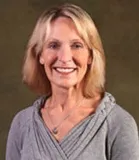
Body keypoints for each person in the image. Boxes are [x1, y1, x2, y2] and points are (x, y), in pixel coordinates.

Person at [6, 3, 139, 160]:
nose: (64, 58)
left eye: (76, 45)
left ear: (90, 56)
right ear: (39, 54)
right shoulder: (22, 124)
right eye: (53, 45)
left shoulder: (118, 124)